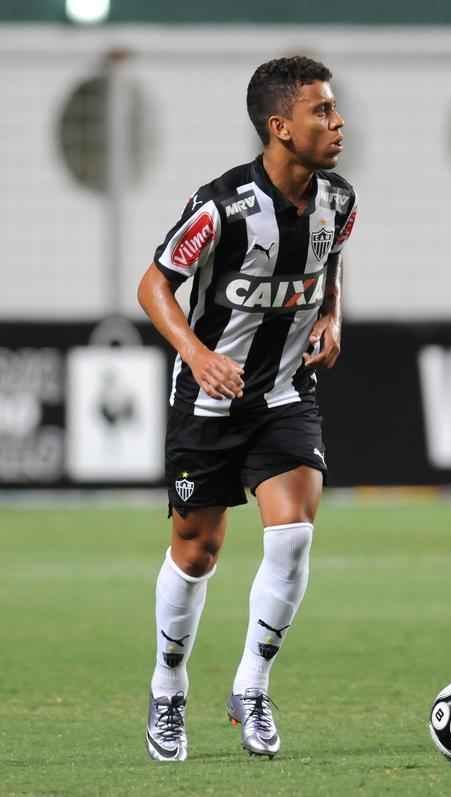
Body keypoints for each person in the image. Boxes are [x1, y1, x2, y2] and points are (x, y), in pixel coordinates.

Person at [135, 55, 356, 761]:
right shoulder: (223, 206)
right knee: (197, 551)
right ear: (280, 126)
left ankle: (252, 685)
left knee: (292, 534)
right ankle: (168, 688)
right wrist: (198, 355)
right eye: (321, 110)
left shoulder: (339, 201)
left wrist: (333, 317)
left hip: (286, 394)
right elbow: (154, 284)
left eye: (334, 106)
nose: (338, 120)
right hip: (207, 400)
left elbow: (330, 265)